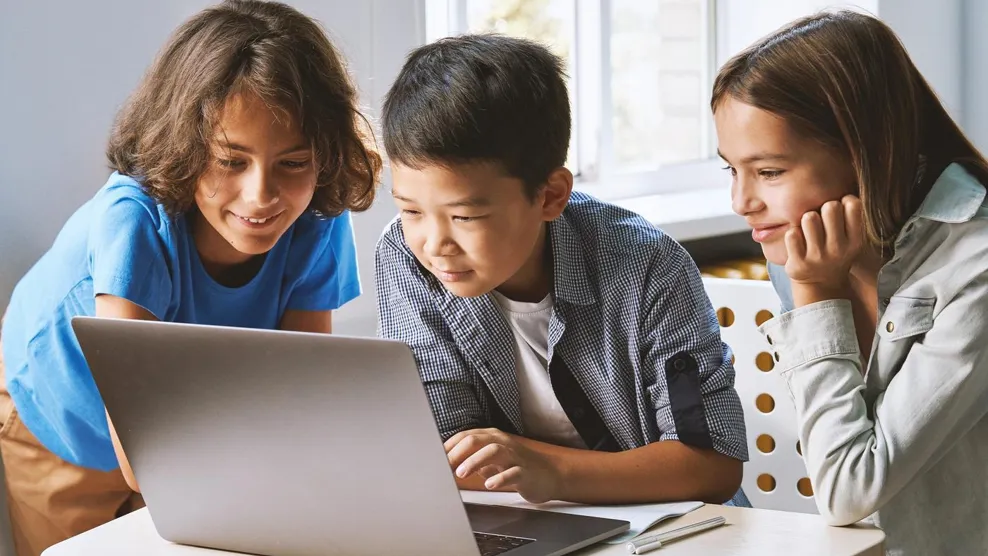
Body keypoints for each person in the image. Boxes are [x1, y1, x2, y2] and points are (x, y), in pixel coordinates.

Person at [0, 1, 381, 553]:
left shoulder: (317, 220)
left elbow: (300, 392)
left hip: (182, 421)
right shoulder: (134, 222)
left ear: (323, 157)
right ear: (184, 146)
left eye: (293, 163)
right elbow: (143, 455)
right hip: (56, 419)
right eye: (231, 161)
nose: (262, 196)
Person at [376, 34, 749, 507]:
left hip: (670, 527)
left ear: (551, 195)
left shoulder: (647, 265)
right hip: (519, 524)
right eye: (411, 211)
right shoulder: (405, 257)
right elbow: (445, 455)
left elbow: (712, 465)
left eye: (465, 217)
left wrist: (550, 471)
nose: (434, 244)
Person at [713, 10, 988, 555]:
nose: (741, 202)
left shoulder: (974, 267)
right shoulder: (803, 257)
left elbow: (848, 489)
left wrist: (816, 295)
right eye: (731, 170)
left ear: (867, 153)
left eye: (769, 172)